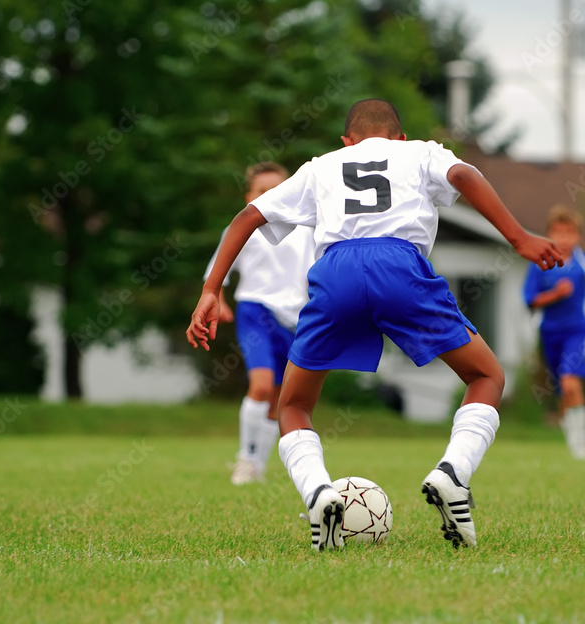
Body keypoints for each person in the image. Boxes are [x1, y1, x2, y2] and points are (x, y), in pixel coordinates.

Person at [187, 99, 562, 551]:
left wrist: (210, 290)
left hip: (335, 272)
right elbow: (464, 176)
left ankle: (318, 493)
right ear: (398, 138)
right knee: (486, 375)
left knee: (293, 406)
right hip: (398, 264)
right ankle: (452, 473)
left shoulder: (321, 166)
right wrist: (519, 237)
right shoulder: (420, 152)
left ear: (346, 142)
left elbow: (248, 216)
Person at [203, 162, 315, 484]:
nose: (270, 196)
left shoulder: (305, 227)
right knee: (262, 385)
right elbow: (217, 272)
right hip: (256, 310)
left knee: (280, 397)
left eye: (276, 189)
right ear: (249, 195)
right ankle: (243, 459)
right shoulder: (243, 226)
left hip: (295, 319)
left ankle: (257, 465)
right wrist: (219, 299)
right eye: (262, 191)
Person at [522, 206, 585, 460]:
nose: (564, 238)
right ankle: (570, 425)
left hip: (579, 330)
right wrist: (555, 295)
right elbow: (530, 301)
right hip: (549, 332)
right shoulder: (540, 265)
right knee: (563, 388)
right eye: (558, 232)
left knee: (570, 380)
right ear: (549, 235)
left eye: (569, 233)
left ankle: (580, 442)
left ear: (578, 236)